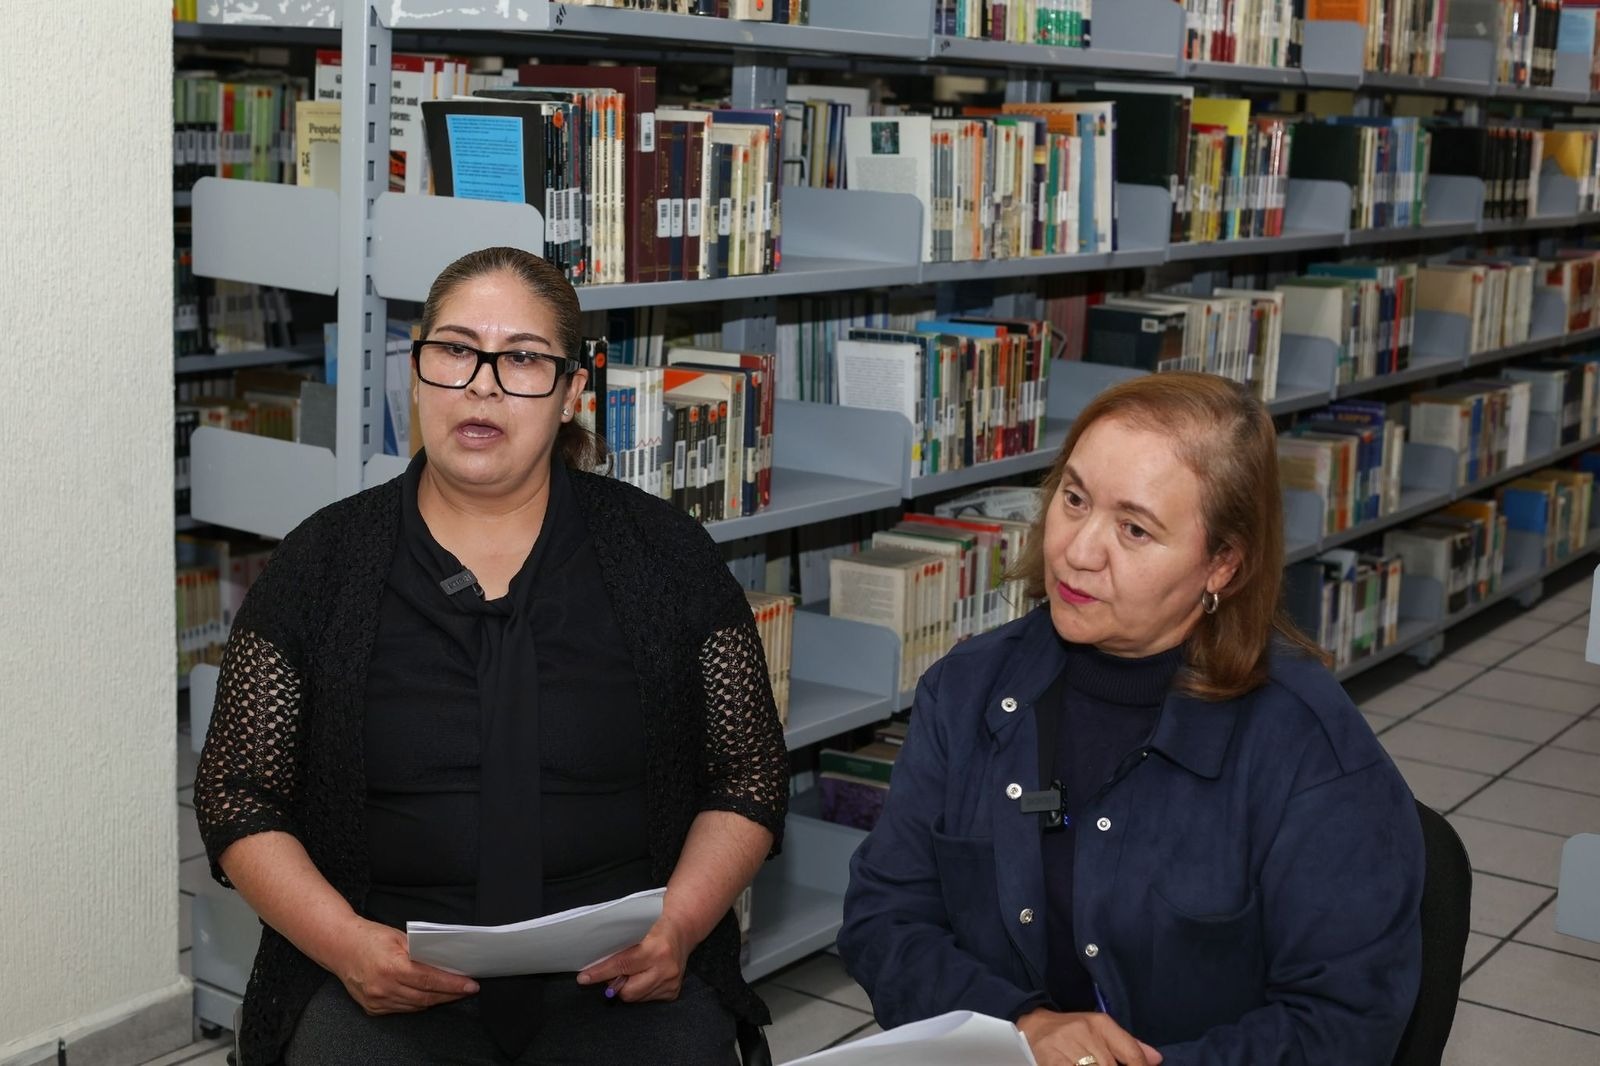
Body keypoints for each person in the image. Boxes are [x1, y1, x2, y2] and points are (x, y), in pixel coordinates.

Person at [194, 246, 788, 1066]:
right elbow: (235, 792)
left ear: (573, 392)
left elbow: (749, 772)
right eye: (456, 350)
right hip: (380, 973)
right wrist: (344, 945)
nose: (483, 385)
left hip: (624, 976)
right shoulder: (320, 566)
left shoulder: (666, 557)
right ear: (416, 370)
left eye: (523, 359)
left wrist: (680, 928)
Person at [837, 373, 1425, 1066]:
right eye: (1075, 499)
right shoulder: (965, 689)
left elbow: (1345, 1022)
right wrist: (1022, 1026)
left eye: (1135, 528)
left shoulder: (1309, 749)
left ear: (1222, 565)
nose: (1078, 551)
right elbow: (884, 918)